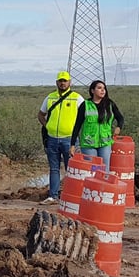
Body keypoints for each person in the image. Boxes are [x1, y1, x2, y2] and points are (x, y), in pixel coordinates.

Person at [37, 71, 84, 205]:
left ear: (70, 82)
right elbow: (40, 114)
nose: (62, 83)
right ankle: (53, 196)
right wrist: (48, 127)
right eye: (60, 81)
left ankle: (72, 196)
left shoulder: (77, 98)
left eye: (65, 81)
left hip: (70, 140)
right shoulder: (50, 97)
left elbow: (85, 117)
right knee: (54, 168)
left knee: (72, 169)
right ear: (56, 82)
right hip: (52, 139)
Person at [70, 80, 124, 172]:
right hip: (88, 144)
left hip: (105, 143)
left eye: (104, 88)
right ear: (92, 91)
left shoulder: (110, 104)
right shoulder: (85, 105)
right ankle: (92, 186)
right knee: (93, 170)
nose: (102, 90)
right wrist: (72, 145)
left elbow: (120, 118)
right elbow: (77, 125)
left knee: (104, 170)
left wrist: (119, 127)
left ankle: (103, 186)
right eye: (99, 88)